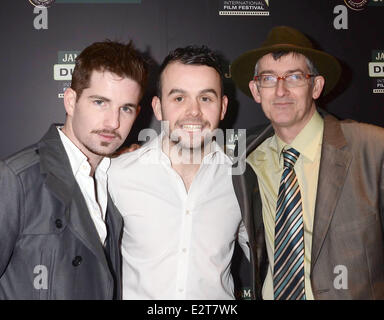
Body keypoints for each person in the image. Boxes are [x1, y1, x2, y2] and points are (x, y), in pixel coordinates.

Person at [230, 26, 384, 300]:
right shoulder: (247, 156)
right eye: (268, 78)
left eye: (294, 77)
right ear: (256, 90)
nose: (280, 90)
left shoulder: (373, 148)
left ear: (316, 86)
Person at [0, 40, 148, 299]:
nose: (113, 122)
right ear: (71, 101)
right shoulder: (17, 179)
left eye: (125, 108)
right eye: (100, 102)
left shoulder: (117, 178)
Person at [108, 45, 249, 300]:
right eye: (179, 98)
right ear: (158, 107)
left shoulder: (243, 178)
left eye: (206, 98)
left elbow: (268, 257)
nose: (194, 111)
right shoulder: (116, 175)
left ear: (223, 107)